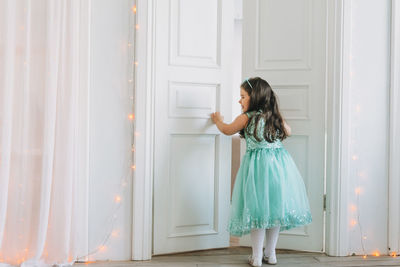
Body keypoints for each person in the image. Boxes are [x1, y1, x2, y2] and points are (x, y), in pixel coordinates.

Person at [210, 77, 312, 266]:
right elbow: (288, 132)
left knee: (257, 212)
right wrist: (277, 117)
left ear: (254, 97)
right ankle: (271, 254)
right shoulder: (272, 116)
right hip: (279, 168)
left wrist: (217, 120)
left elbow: (227, 130)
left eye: (242, 97)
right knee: (274, 211)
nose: (239, 101)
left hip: (257, 169)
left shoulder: (246, 118)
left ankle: (257, 257)